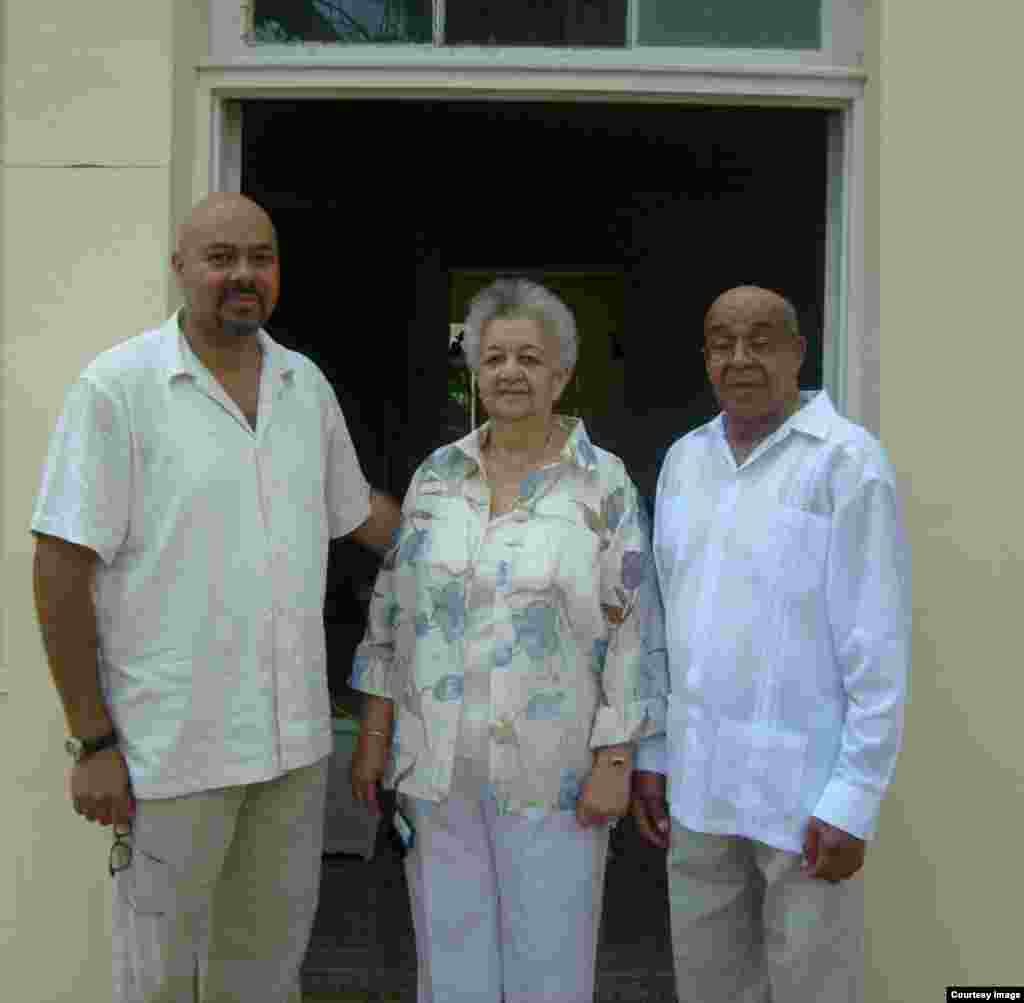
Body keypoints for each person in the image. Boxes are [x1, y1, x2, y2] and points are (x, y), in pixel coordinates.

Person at [30, 193, 400, 1003]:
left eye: (260, 258)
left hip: (292, 752)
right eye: (221, 257)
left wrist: (469, 526)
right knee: (158, 980)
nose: (243, 274)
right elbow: (59, 565)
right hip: (171, 755)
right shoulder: (118, 388)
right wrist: (92, 742)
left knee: (266, 976)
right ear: (180, 268)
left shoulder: (304, 385)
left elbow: (359, 514)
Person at [349, 278, 668, 1003]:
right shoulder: (437, 477)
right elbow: (392, 613)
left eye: (529, 357)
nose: (510, 372)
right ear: (475, 371)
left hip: (555, 775)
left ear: (562, 373)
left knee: (549, 969)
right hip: (436, 769)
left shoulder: (603, 484)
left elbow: (632, 627)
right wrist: (373, 734)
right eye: (494, 358)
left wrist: (617, 758)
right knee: (450, 968)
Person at [631, 285, 911, 1003]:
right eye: (722, 343)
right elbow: (661, 623)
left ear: (797, 353)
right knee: (709, 986)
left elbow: (878, 644)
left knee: (813, 989)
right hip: (700, 785)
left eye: (761, 342)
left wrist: (854, 796)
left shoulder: (847, 462)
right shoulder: (685, 461)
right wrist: (654, 752)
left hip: (806, 796)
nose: (740, 358)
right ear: (705, 358)